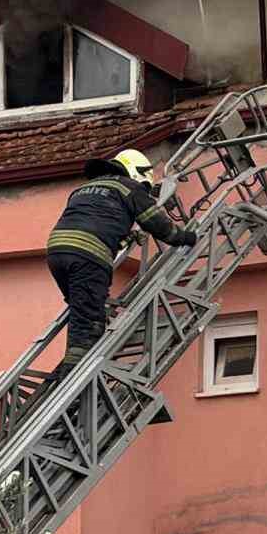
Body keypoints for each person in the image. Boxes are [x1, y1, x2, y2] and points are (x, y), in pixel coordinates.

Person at [46, 148, 193, 380]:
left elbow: (99, 221)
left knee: (82, 311)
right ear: (137, 173)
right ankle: (73, 382)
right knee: (90, 322)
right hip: (89, 255)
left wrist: (126, 237)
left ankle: (67, 369)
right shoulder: (130, 188)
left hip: (58, 252)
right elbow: (157, 225)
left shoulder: (82, 190)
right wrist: (186, 237)